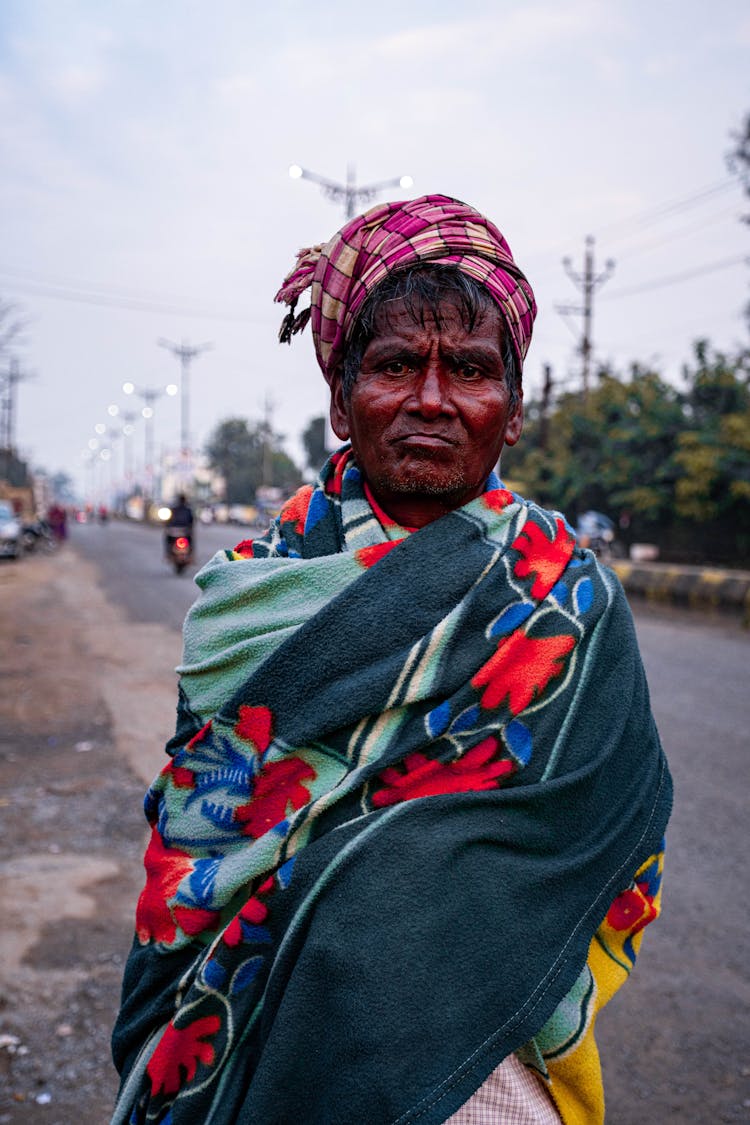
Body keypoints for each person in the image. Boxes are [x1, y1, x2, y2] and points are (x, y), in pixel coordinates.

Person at [112, 196, 672, 1125]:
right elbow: (195, 847)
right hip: (235, 1033)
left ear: (515, 408)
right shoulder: (250, 603)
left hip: (484, 1050)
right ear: (340, 398)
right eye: (397, 364)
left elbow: (613, 840)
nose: (433, 398)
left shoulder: (571, 601)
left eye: (472, 370)